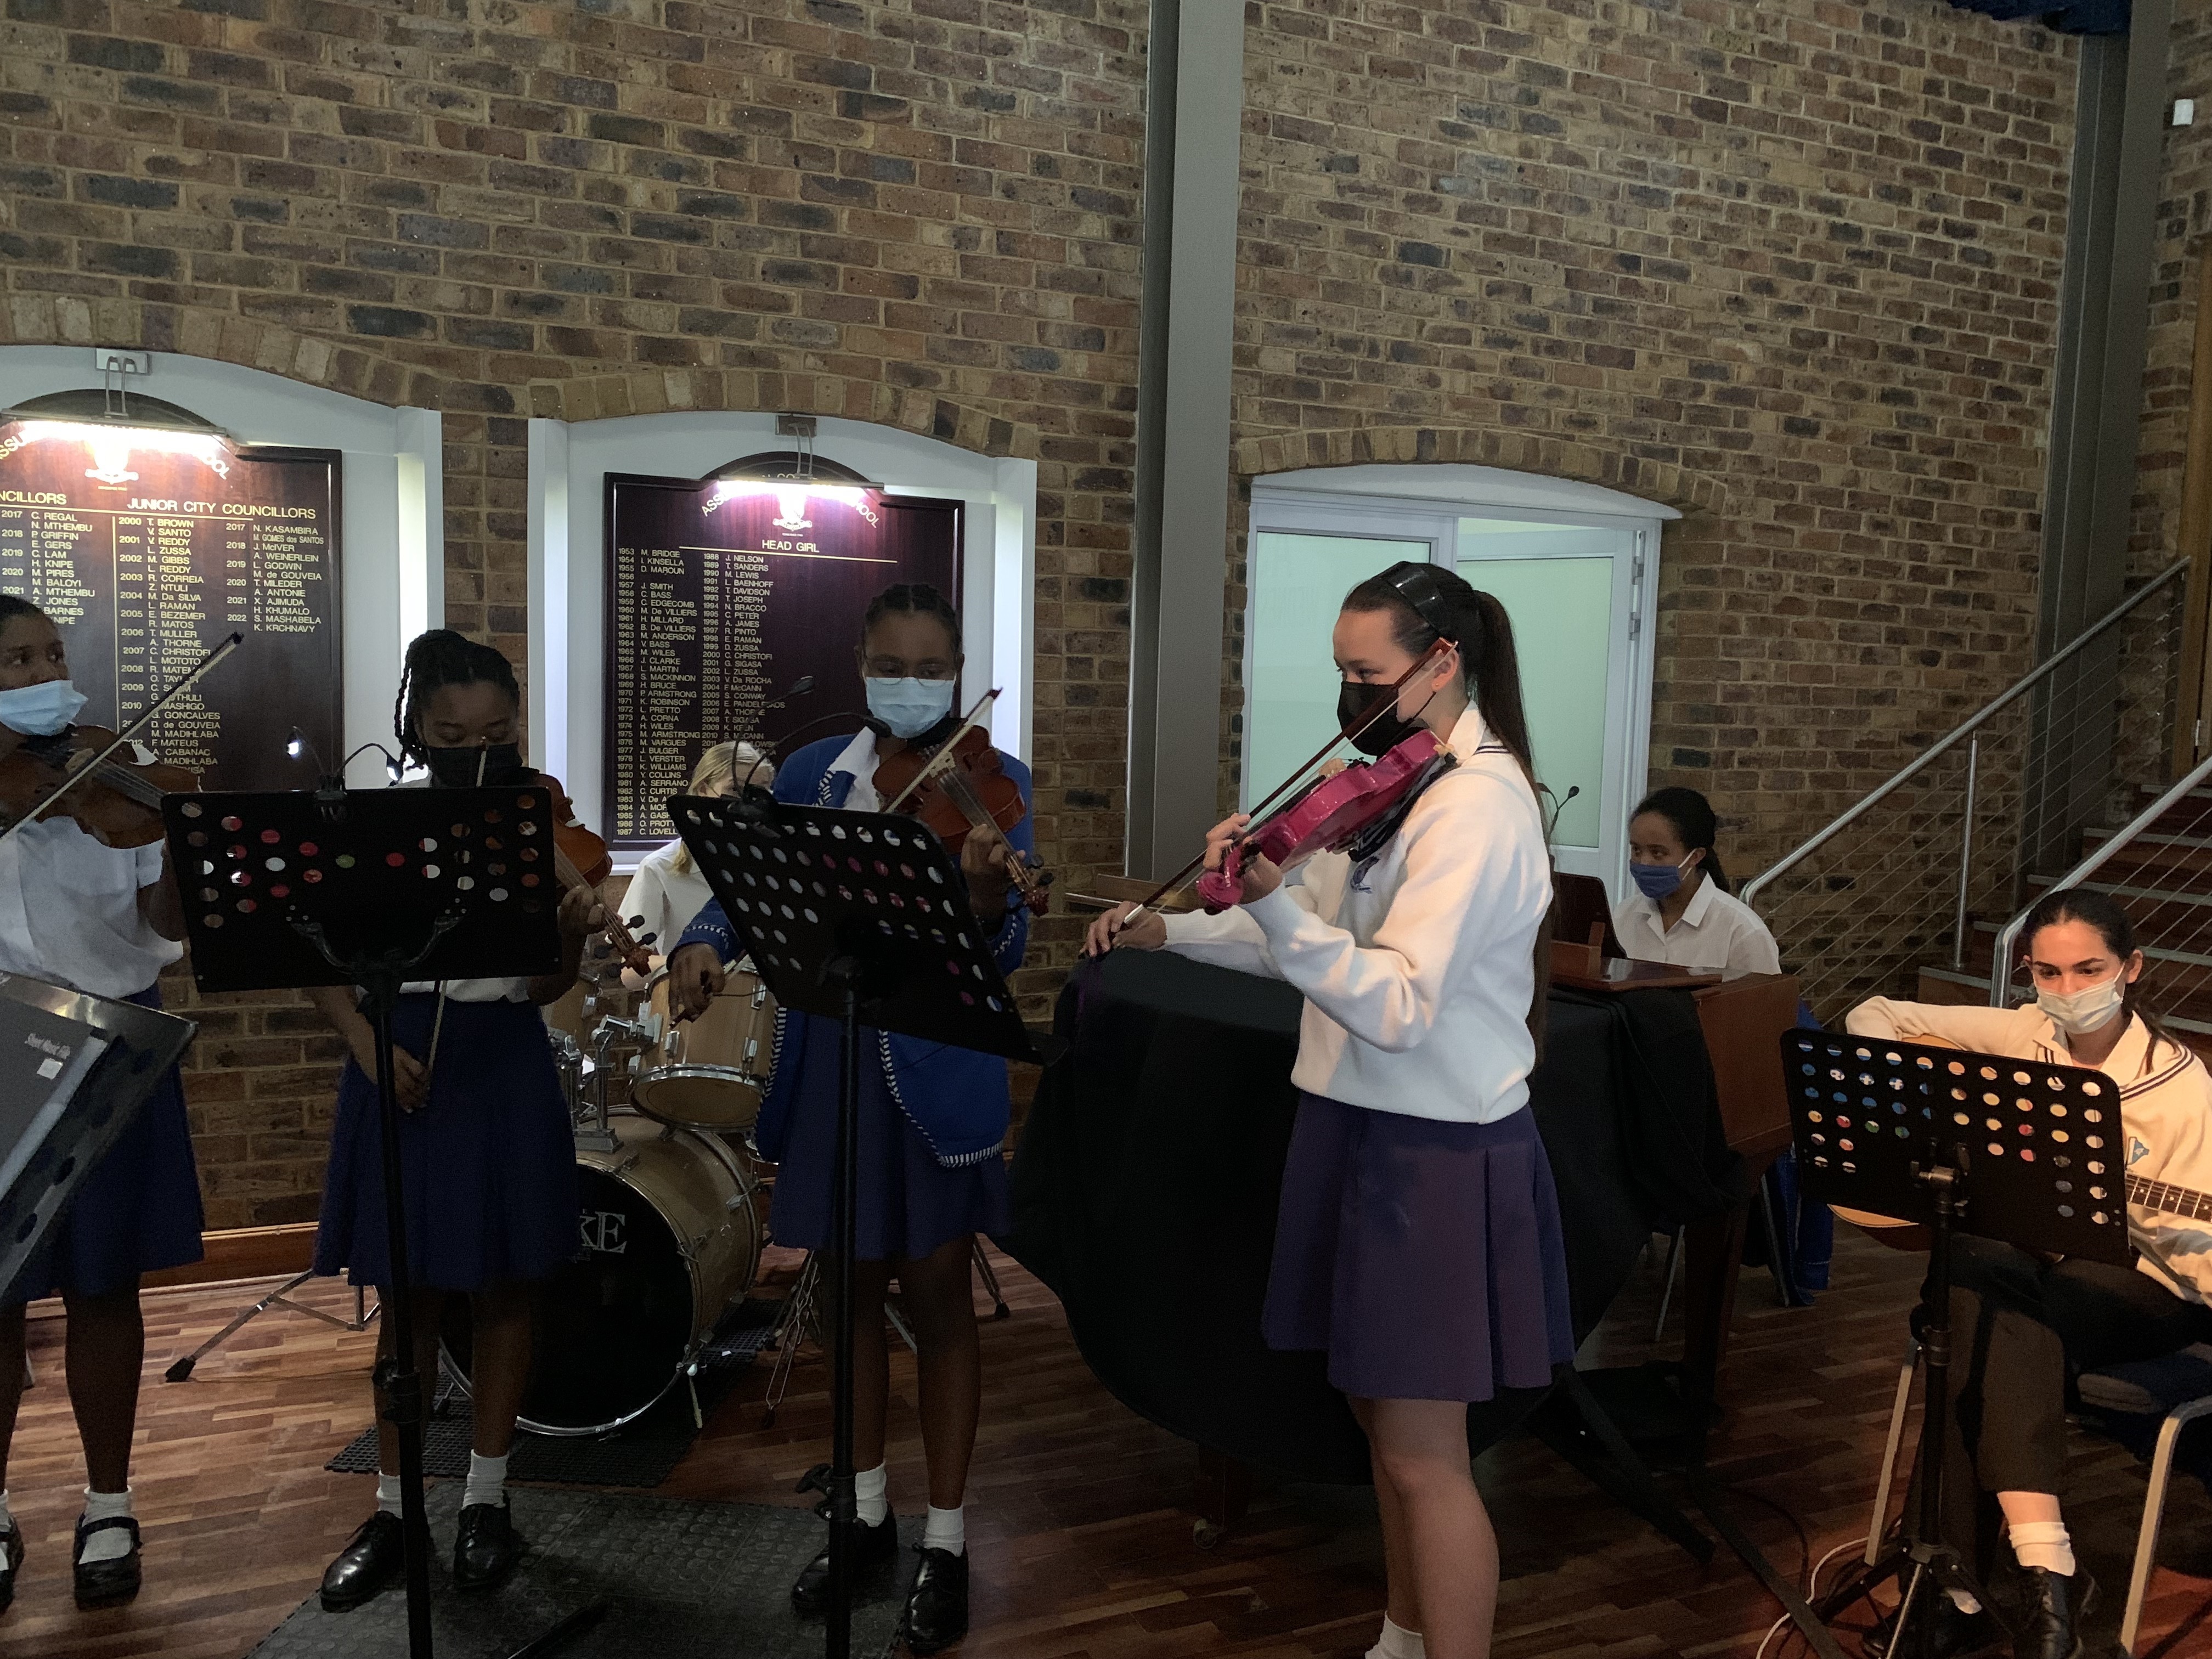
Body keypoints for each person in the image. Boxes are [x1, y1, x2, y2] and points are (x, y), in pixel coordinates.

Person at [1085, 562, 1575, 1659]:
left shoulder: (1479, 807)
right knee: (1376, 1425)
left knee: (1422, 1454)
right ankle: (1401, 1636)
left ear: (1442, 662)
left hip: (1431, 1150)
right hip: (1352, 1127)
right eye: (1341, 671)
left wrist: (1274, 908)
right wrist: (1172, 928)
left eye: (1368, 673)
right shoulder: (1399, 788)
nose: (1349, 697)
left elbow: (1396, 1001)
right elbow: (1298, 936)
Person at [665, 582, 1026, 1653]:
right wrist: (705, 940)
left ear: (957, 674)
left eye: (931, 669)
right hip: (834, 1066)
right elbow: (752, 885)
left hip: (935, 1066)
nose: (911, 685)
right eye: (892, 666)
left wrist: (987, 897)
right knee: (847, 1300)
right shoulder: (817, 773)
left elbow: (1004, 949)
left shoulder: (994, 783)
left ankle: (947, 1539)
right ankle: (864, 1515)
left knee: (941, 1303)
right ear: (863, 664)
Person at [308, 630, 602, 1610]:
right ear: (414, 731)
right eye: (452, 737)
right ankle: (396, 1507)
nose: (478, 755)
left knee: (506, 1288)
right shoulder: (374, 823)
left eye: (497, 735)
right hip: (397, 1056)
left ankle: (486, 1497)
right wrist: (364, 1043)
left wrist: (569, 937)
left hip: (500, 1058)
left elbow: (547, 986)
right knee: (409, 1300)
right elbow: (318, 959)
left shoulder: (534, 825)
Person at [1847, 888, 2212, 1659]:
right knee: (1981, 1284)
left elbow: (2197, 1257)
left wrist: (2118, 1210)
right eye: (2048, 973)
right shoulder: (2026, 1034)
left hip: (2147, 1283)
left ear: (2132, 968)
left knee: (1974, 1314)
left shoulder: (2182, 1088)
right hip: (2037, 1270)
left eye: (2089, 970)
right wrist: (1912, 1092)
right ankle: (2046, 1568)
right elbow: (1875, 1012)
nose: (2068, 991)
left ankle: (1954, 1595)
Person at [0, 594, 203, 1613]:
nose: (47, 675)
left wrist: (182, 852)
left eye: (53, 654)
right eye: (17, 660)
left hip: (116, 1040)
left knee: (104, 1284)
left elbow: (163, 928)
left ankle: (109, 1502)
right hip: (3, 1046)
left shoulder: (114, 775)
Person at [619, 740, 772, 966]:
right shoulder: (660, 866)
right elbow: (628, 971)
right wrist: (687, 963)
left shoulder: (776, 863)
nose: (749, 804)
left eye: (762, 792)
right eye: (735, 789)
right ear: (703, 791)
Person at [1612, 786, 1780, 980]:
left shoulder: (1743, 931)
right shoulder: (1624, 916)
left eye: (1658, 853)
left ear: (1695, 856)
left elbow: (1767, 998)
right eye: (1637, 850)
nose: (1644, 863)